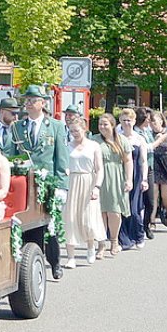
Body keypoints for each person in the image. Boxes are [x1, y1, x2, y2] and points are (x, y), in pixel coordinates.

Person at [12, 85, 70, 280]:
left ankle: (55, 263)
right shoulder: (17, 127)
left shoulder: (55, 126)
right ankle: (31, 264)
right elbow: (13, 156)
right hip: (25, 184)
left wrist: (62, 185)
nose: (28, 103)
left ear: (42, 103)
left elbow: (61, 158)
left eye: (33, 99)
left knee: (50, 225)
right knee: (28, 224)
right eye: (26, 99)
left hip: (49, 182)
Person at [64, 112, 105, 266]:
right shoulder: (67, 146)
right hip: (72, 181)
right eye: (72, 131)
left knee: (88, 218)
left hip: (88, 181)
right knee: (71, 218)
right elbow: (63, 165)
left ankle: (90, 246)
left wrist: (97, 187)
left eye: (77, 131)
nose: (74, 134)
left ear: (84, 129)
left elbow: (99, 169)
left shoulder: (94, 146)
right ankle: (71, 257)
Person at [94, 112, 130, 253]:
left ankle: (114, 241)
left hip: (116, 177)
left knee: (114, 211)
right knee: (100, 212)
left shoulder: (121, 140)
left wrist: (128, 179)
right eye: (100, 124)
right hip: (99, 177)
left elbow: (128, 161)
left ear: (113, 125)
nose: (102, 127)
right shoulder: (94, 140)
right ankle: (101, 243)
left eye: (105, 124)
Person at [116, 107, 150, 246]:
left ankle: (139, 235)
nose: (126, 123)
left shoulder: (139, 139)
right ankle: (124, 239)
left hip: (136, 175)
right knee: (121, 208)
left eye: (129, 120)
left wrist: (145, 179)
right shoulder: (117, 138)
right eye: (124, 120)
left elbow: (143, 161)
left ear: (134, 121)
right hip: (120, 174)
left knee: (134, 209)